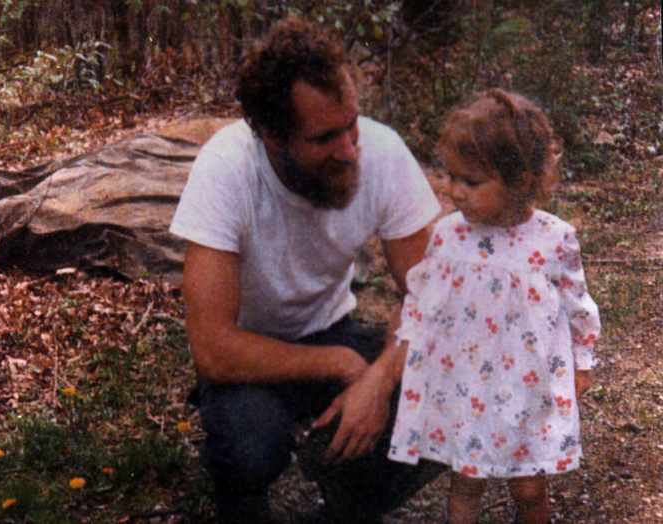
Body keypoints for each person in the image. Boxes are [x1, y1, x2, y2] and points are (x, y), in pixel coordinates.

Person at [169, 15, 445, 524]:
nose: (348, 151)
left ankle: (347, 497)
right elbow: (212, 349)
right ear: (272, 137)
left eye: (351, 125)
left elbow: (437, 297)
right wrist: (342, 365)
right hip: (251, 357)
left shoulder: (381, 153)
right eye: (323, 139)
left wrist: (379, 380)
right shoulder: (227, 168)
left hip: (333, 328)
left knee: (458, 383)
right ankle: (242, 496)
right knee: (251, 449)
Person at [386, 89, 601, 524]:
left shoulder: (552, 239)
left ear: (519, 179)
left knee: (527, 484)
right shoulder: (449, 236)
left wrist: (582, 363)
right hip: (469, 382)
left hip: (529, 380)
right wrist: (409, 347)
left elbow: (578, 306)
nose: (455, 191)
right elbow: (424, 298)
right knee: (467, 480)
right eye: (450, 177)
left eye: (471, 181)